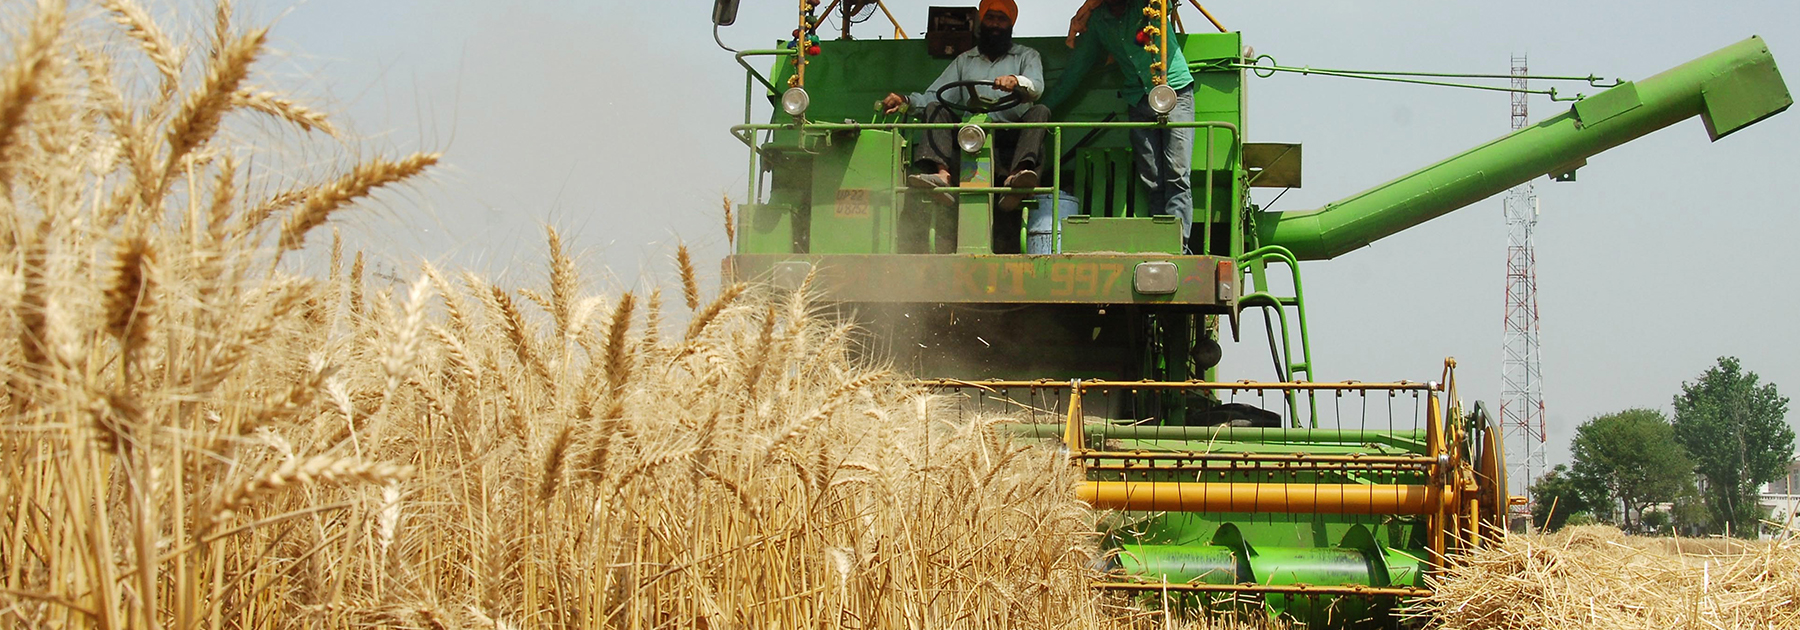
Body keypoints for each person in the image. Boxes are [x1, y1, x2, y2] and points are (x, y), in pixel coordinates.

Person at [880, 0, 1047, 252]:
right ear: (982, 22)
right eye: (990, 18)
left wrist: (1016, 81)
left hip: (1010, 135)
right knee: (934, 108)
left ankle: (1017, 178)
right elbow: (933, 95)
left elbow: (1036, 87)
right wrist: (905, 100)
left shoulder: (1026, 56)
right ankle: (941, 176)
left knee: (1040, 112)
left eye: (1002, 19)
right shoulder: (965, 60)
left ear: (1010, 24)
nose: (995, 25)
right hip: (969, 135)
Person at [1045, 0, 1197, 254]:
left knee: (1177, 174)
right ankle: (1162, 242)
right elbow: (1077, 68)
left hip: (1175, 92)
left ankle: (1177, 247)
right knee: (1152, 177)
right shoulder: (1098, 23)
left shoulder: (1151, 5)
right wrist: (1046, 108)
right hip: (1138, 99)